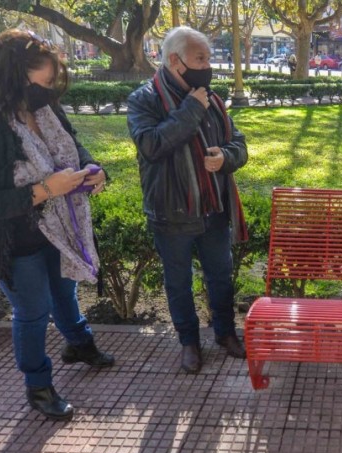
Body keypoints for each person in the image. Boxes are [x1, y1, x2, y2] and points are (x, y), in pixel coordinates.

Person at [0, 29, 113, 421]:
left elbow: (73, 145)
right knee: (32, 310)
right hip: (11, 237)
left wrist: (94, 170)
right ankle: (38, 385)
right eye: (44, 82)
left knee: (65, 292)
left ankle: (78, 343)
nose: (49, 91)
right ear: (13, 75)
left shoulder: (43, 107)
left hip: (59, 225)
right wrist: (44, 190)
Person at [126, 26, 249, 374]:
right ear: (175, 60)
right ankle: (189, 342)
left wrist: (226, 158)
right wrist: (192, 108)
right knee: (178, 282)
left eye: (208, 58)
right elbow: (152, 145)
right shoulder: (144, 100)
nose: (208, 65)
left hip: (213, 209)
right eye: (201, 59)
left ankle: (225, 334)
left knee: (221, 276)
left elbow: (239, 144)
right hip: (172, 212)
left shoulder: (211, 98)